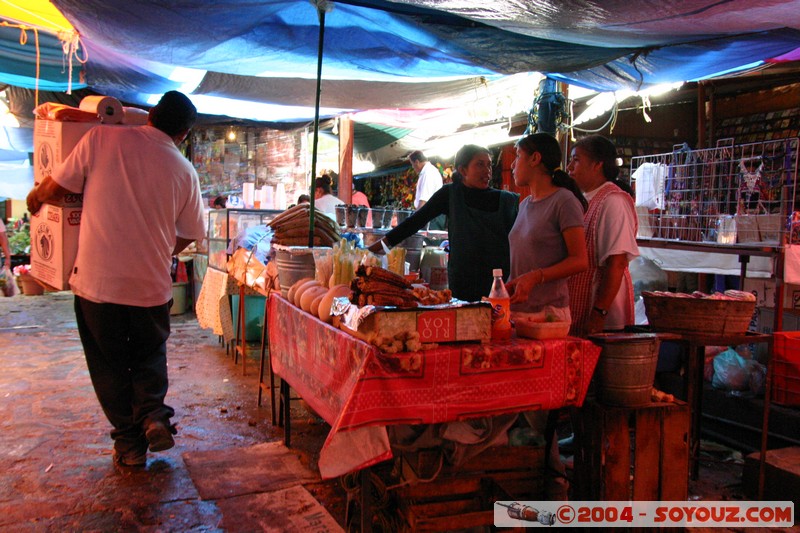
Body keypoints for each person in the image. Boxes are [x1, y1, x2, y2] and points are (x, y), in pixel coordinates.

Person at [26, 90, 205, 468]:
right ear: (185, 135)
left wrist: (36, 196)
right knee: (149, 353)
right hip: (151, 286)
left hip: (97, 283)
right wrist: (162, 249)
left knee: (108, 363)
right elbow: (191, 232)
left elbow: (57, 185)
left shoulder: (101, 138)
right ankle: (154, 415)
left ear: (151, 113)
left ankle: (129, 444)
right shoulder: (184, 171)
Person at [370, 144, 519, 302]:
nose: (487, 171)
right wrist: (380, 246)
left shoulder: (506, 200)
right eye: (480, 164)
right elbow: (415, 221)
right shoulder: (450, 194)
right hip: (463, 282)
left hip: (498, 282)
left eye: (489, 165)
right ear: (463, 170)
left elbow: (520, 242)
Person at [507, 132, 588, 321]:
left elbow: (580, 260)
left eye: (518, 156)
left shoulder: (564, 201)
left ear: (535, 159)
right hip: (518, 310)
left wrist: (536, 277)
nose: (512, 165)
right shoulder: (525, 204)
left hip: (548, 314)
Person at [567, 135, 639, 337]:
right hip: (580, 305)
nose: (569, 166)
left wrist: (599, 312)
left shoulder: (613, 201)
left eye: (576, 159)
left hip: (604, 316)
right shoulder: (581, 200)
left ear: (597, 164)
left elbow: (616, 262)